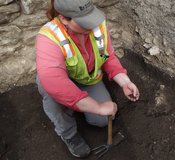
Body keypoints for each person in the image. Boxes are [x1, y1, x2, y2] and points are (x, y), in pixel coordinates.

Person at [35, 0, 139, 158]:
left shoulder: (98, 25)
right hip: (60, 84)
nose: (91, 27)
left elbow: (108, 57)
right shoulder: (49, 38)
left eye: (91, 18)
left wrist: (125, 82)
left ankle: (80, 105)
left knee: (103, 120)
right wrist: (97, 106)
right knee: (52, 96)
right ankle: (68, 134)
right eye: (84, 23)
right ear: (64, 19)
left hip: (87, 78)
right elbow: (55, 83)